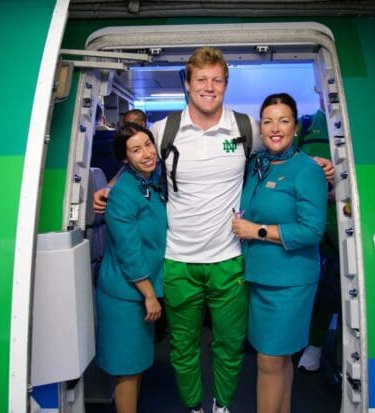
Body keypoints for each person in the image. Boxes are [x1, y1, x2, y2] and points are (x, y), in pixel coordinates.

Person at [93, 47, 335, 413]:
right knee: (183, 347)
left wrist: (317, 163)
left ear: (225, 84)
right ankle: (194, 407)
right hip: (178, 260)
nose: (209, 87)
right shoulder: (163, 131)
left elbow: (277, 147)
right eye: (201, 80)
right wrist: (111, 185)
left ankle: (222, 406)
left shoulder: (245, 128)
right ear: (188, 84)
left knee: (230, 345)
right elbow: (137, 162)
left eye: (217, 80)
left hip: (230, 259)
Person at [231, 93, 328, 413]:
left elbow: (312, 230)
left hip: (290, 281)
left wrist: (256, 230)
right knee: (279, 357)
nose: (275, 128)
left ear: (296, 127)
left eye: (283, 121)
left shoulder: (307, 170)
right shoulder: (259, 163)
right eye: (268, 121)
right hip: (259, 277)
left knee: (269, 359)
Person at [95, 122, 166, 413]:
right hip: (125, 293)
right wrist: (149, 293)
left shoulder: (151, 180)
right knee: (127, 369)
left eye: (148, 144)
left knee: (135, 365)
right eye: (136, 150)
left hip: (139, 290)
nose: (147, 153)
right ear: (125, 159)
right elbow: (129, 252)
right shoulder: (124, 193)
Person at [296, 92, 341, 373]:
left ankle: (331, 349)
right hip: (309, 221)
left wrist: (340, 191)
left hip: (343, 222)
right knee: (314, 288)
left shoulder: (358, 124)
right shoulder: (306, 124)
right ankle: (311, 345)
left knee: (337, 289)